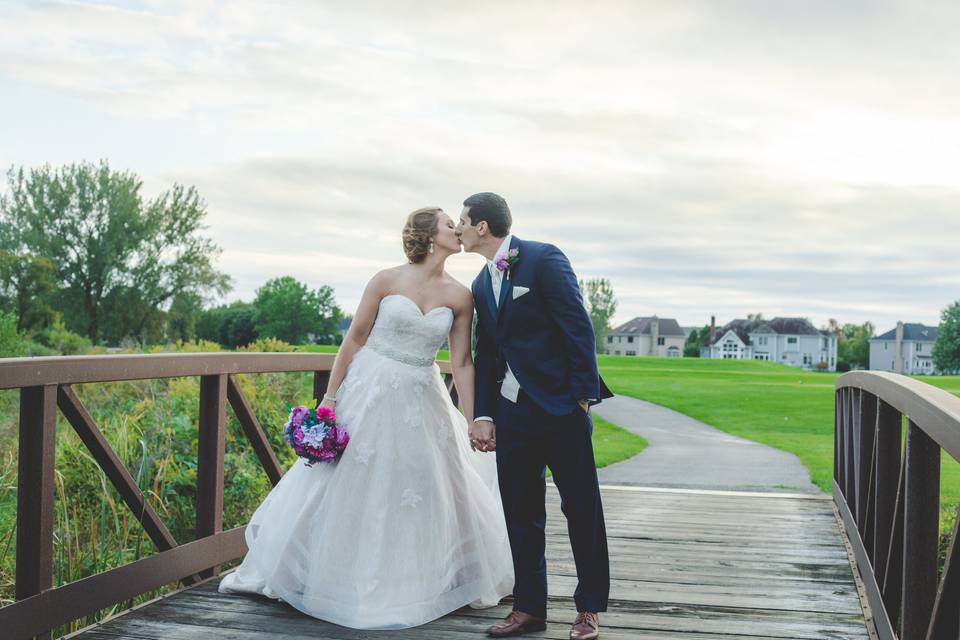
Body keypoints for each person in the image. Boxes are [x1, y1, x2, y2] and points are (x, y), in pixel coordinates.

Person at [218, 207, 514, 629]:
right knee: (343, 481)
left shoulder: (460, 295)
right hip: (369, 388)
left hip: (421, 394)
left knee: (421, 482)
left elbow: (462, 362)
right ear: (430, 234)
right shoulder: (386, 280)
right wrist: (330, 399)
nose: (458, 228)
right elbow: (354, 338)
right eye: (450, 223)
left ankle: (422, 577)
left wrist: (472, 419)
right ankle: (309, 570)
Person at [457, 192, 613, 640]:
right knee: (521, 513)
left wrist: (583, 398)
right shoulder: (480, 285)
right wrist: (484, 413)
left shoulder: (544, 259)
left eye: (464, 221)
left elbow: (577, 326)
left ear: (483, 226)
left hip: (562, 410)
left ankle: (588, 610)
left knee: (581, 509)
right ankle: (529, 608)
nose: (460, 228)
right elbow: (486, 355)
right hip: (513, 417)